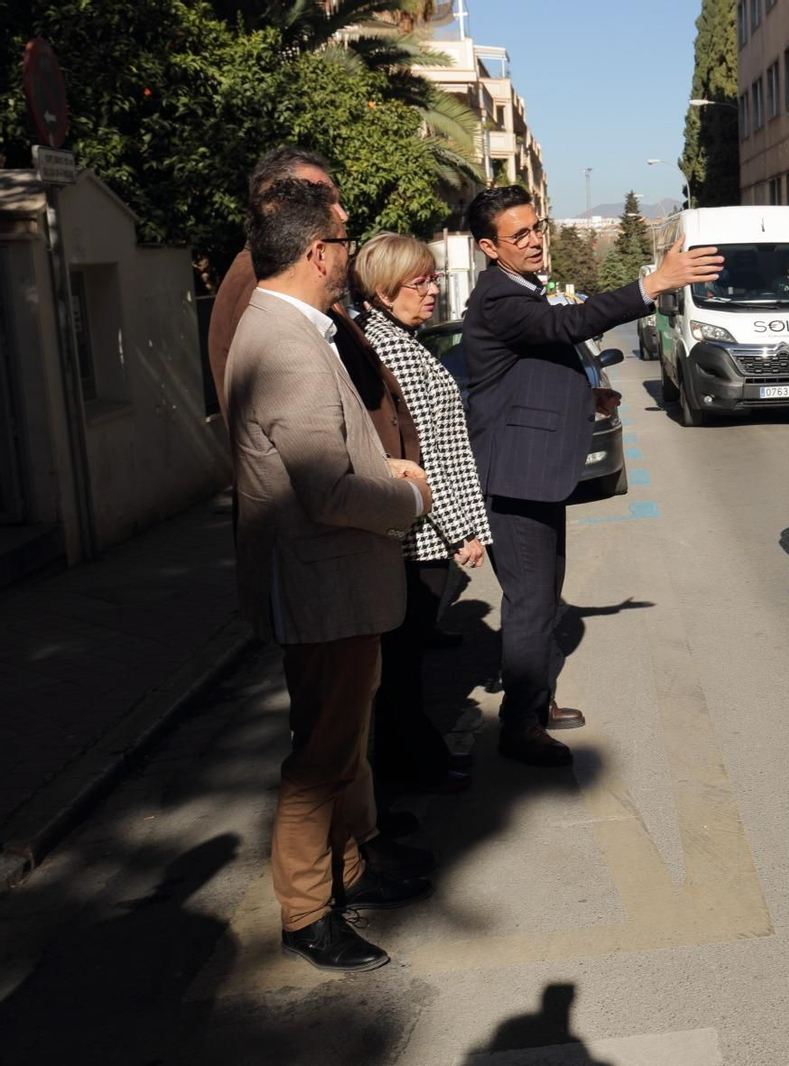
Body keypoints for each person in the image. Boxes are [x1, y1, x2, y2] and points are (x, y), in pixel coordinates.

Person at [227, 178, 434, 973]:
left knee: (342, 744)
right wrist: (407, 489)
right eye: (344, 244)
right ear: (319, 253)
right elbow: (330, 492)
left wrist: (379, 465)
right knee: (320, 756)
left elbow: (325, 456)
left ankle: (349, 872)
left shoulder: (294, 328)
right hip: (323, 586)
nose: (349, 254)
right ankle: (307, 912)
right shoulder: (283, 341)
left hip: (332, 583)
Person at [461, 185, 722, 767]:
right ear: (488, 247)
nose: (534, 241)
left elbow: (532, 369)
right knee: (529, 602)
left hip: (535, 471)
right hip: (514, 475)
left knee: (543, 594)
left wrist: (585, 397)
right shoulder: (499, 298)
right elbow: (566, 326)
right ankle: (521, 725)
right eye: (519, 234)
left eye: (537, 227)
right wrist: (651, 284)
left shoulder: (519, 289)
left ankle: (536, 699)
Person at [353, 233, 490, 794]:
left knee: (405, 663)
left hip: (423, 529)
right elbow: (428, 454)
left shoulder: (396, 340)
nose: (432, 290)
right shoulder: (389, 349)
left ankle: (411, 762)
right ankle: (409, 769)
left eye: (433, 278)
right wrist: (463, 532)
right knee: (402, 665)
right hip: (418, 536)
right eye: (420, 281)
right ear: (385, 291)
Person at [208, 146, 420, 468]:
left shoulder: (294, 275)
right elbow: (300, 443)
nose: (342, 213)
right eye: (323, 199)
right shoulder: (263, 283)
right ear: (277, 204)